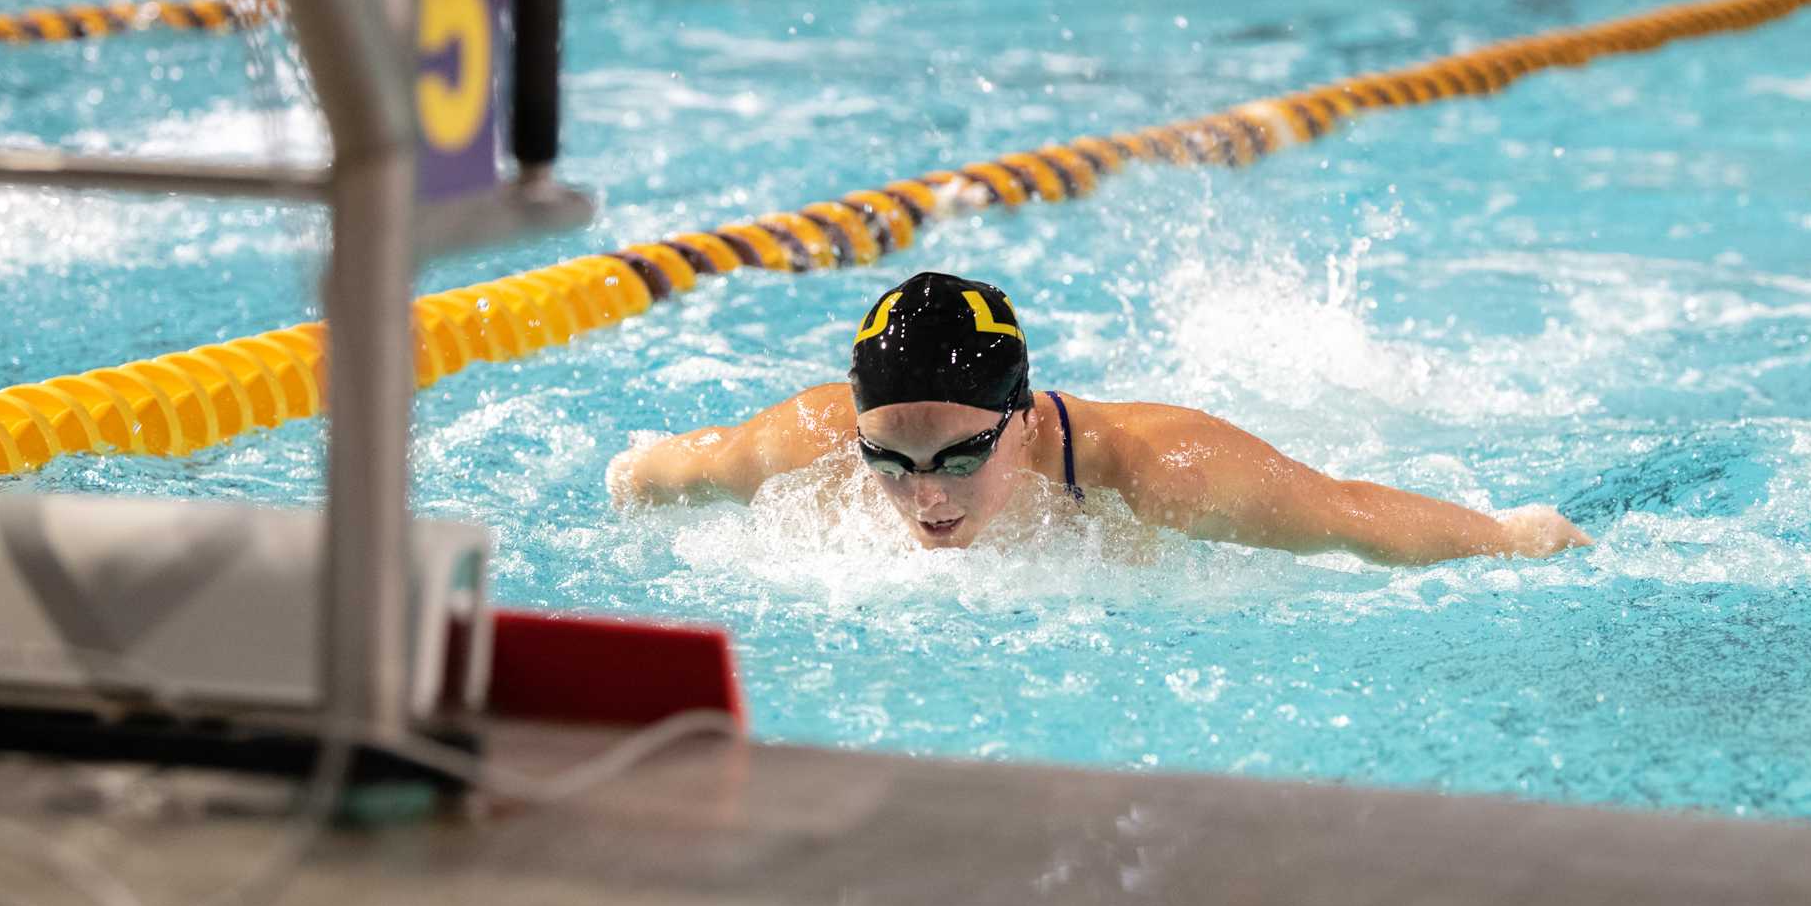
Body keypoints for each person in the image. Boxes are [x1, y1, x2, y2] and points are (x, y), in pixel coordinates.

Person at [608, 271, 1592, 563]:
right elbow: (655, 471)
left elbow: (1347, 515)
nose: (922, 498)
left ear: (1024, 420)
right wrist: (630, 478)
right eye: (890, 461)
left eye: (956, 459)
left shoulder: (1167, 476)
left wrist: (1510, 536)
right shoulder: (806, 448)